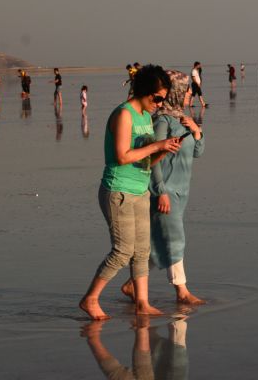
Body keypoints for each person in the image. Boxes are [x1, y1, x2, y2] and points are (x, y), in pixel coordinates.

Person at [79, 65, 184, 321]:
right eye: (157, 98)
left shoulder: (146, 116)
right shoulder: (124, 114)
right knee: (123, 250)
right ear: (145, 92)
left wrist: (163, 150)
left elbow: (146, 161)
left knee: (142, 251)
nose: (160, 105)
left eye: (163, 100)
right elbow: (122, 156)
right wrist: (156, 145)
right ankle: (90, 298)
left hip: (140, 189)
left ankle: (142, 302)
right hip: (118, 191)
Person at [122, 69, 206, 306]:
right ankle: (182, 291)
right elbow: (151, 158)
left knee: (160, 242)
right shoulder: (162, 121)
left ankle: (132, 284)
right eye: (186, 88)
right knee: (174, 239)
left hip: (182, 192)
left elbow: (198, 152)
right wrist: (160, 191)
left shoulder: (183, 120)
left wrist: (196, 131)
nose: (190, 92)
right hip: (166, 191)